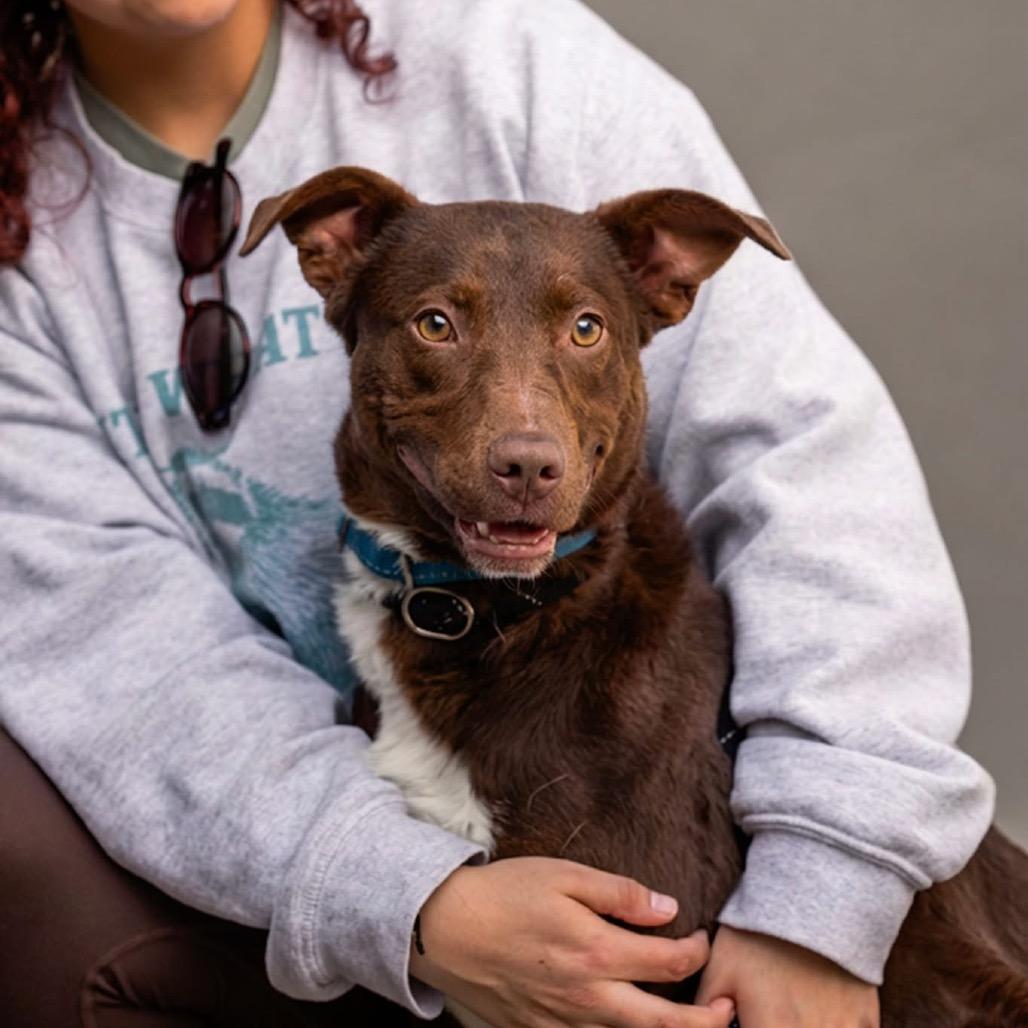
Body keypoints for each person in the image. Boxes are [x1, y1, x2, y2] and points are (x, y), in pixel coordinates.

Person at [0, 1, 995, 1026]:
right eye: (436, 322)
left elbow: (806, 467)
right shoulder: (20, 230)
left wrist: (816, 902)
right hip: (274, 831)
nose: (525, 446)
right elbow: (100, 634)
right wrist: (407, 895)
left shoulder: (509, 58)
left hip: (618, 740)